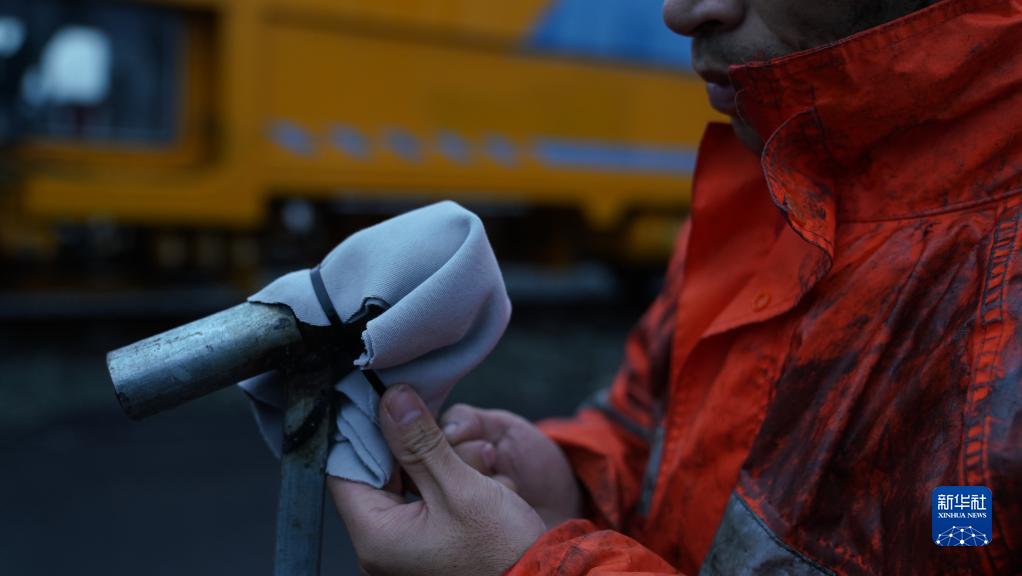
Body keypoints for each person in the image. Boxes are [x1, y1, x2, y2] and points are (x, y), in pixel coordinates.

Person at [329, 0, 1022, 573]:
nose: (682, 11)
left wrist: (541, 566)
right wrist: (579, 487)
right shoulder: (771, 182)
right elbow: (656, 427)